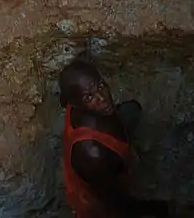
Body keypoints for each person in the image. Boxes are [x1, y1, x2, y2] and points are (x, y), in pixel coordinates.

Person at [59, 60, 168, 217]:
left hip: (107, 158)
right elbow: (115, 202)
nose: (102, 98)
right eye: (89, 97)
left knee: (132, 109)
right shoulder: (93, 155)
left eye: (101, 86)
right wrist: (157, 209)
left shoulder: (80, 104)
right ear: (74, 103)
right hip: (102, 201)